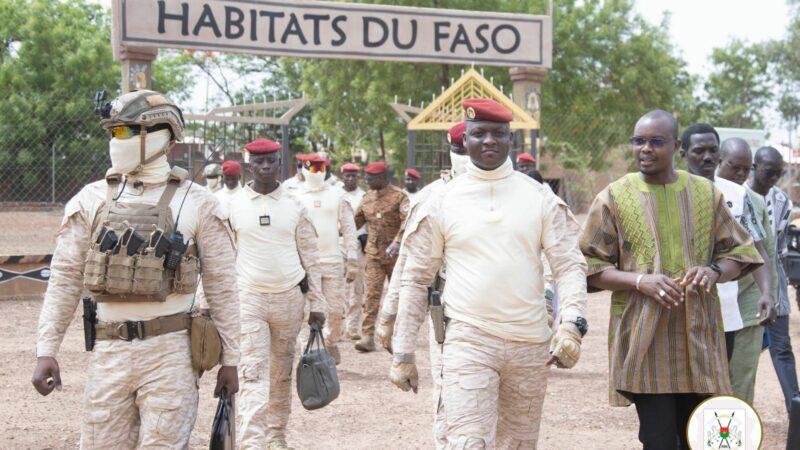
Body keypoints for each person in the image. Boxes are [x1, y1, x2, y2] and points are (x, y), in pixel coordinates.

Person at [31, 90, 240, 448]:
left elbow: (222, 286)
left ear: (161, 135)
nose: (117, 141)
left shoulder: (199, 203)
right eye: (113, 132)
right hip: (109, 350)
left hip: (172, 351)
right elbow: (65, 278)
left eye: (127, 131)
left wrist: (232, 360)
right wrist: (46, 350)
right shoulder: (93, 198)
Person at [390, 99, 588, 448]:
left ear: (510, 138)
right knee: (467, 442)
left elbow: (569, 266)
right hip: (468, 340)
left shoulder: (539, 198)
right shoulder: (441, 201)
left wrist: (571, 324)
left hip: (529, 344)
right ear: (465, 141)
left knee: (518, 443)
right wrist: (403, 353)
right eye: (478, 134)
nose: (489, 141)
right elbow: (416, 279)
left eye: (498, 133)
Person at [581, 110, 762, 450]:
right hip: (645, 340)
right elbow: (588, 265)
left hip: (700, 338)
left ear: (676, 146)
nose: (645, 149)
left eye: (656, 142)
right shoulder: (614, 197)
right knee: (658, 439)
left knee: (701, 436)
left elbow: (742, 253)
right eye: (639, 141)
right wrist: (638, 281)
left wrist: (713, 271)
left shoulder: (705, 195)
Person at [230, 138, 326, 450]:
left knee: (282, 372)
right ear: (249, 165)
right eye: (259, 162)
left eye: (271, 161)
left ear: (279, 163)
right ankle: (252, 441)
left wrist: (317, 303)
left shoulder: (295, 206)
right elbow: (221, 259)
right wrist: (207, 303)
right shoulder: (232, 206)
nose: (266, 167)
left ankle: (275, 435)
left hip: (289, 299)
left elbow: (311, 257)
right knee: (253, 372)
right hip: (250, 299)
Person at [377, 121, 468, 447]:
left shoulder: (518, 194)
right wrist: (389, 318)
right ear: (450, 149)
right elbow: (408, 269)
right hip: (449, 311)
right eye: (459, 149)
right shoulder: (432, 197)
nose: (465, 156)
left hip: (504, 316)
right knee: (447, 392)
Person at [679, 124, 774, 370]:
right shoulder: (669, 191)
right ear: (683, 152)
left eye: (713, 150)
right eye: (699, 151)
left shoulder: (737, 195)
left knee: (716, 390)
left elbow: (756, 249)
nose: (707, 157)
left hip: (724, 313)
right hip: (677, 309)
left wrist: (766, 292)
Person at [715, 138, 777, 403]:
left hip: (747, 304)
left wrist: (769, 293)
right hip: (711, 302)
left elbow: (764, 252)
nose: (741, 175)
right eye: (734, 167)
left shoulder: (752, 201)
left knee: (740, 382)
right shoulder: (699, 193)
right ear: (719, 161)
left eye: (746, 169)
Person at [749, 145, 800, 414]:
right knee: (743, 350)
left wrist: (775, 289)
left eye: (778, 174)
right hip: (740, 282)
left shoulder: (782, 202)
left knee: (781, 348)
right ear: (754, 167)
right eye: (769, 173)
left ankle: (795, 408)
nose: (774, 180)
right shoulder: (736, 195)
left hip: (773, 281)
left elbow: (776, 250)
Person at [295, 153, 358, 363]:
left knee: (336, 310)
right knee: (307, 312)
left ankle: (329, 342)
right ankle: (309, 352)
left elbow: (349, 228)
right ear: (304, 169)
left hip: (332, 261)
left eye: (319, 169)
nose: (315, 173)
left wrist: (353, 259)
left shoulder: (337, 195)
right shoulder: (294, 196)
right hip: (305, 264)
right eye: (311, 168)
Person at [353, 161, 409, 352]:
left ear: (383, 178)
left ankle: (396, 336)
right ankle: (367, 336)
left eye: (371, 178)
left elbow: (407, 222)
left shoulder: (399, 197)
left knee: (399, 297)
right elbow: (354, 221)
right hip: (374, 255)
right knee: (371, 295)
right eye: (366, 178)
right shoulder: (367, 198)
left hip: (396, 257)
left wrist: (397, 242)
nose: (367, 181)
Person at [340, 162, 367, 340]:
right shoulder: (334, 194)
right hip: (337, 243)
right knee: (335, 286)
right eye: (347, 176)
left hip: (357, 245)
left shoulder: (364, 196)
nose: (350, 179)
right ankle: (335, 326)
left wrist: (366, 237)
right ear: (342, 176)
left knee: (357, 287)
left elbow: (369, 221)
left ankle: (352, 327)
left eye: (353, 176)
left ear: (358, 177)